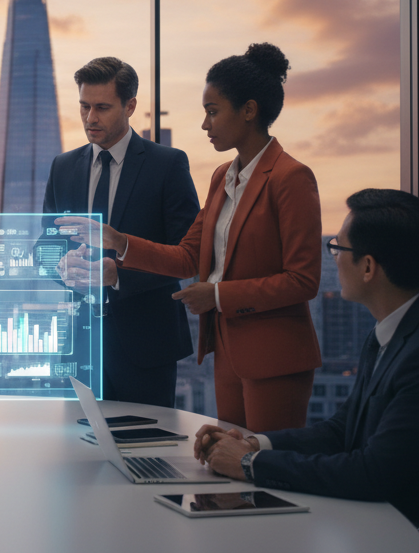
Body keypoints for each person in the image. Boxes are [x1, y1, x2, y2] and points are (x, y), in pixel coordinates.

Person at [193, 189, 419, 526]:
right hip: (386, 521)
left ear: (368, 267)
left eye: (338, 248)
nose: (334, 258)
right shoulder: (393, 330)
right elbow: (342, 431)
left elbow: (371, 474)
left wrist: (248, 464)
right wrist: (255, 445)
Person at [62, 43, 321, 431]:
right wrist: (120, 242)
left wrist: (215, 296)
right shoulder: (223, 176)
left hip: (273, 354)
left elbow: (303, 280)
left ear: (248, 111)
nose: (204, 124)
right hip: (227, 349)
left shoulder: (291, 178)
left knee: (267, 467)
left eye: (212, 112)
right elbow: (187, 256)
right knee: (231, 463)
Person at [46, 57, 200, 406]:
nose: (90, 118)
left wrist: (119, 275)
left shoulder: (168, 165)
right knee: (77, 452)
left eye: (102, 107)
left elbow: (187, 253)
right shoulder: (63, 167)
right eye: (84, 106)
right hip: (80, 342)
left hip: (146, 343)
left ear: (130, 105)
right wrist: (62, 265)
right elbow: (47, 242)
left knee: (145, 449)